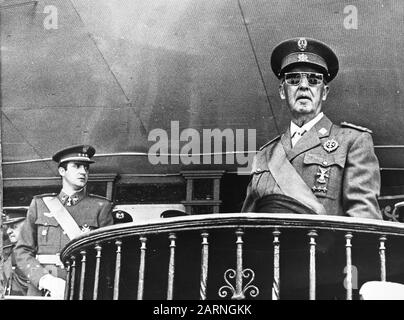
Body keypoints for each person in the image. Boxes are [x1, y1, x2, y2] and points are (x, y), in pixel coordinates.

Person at [242, 37, 381, 219]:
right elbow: (245, 223)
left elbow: (363, 219)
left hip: (324, 247)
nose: (304, 86)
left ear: (324, 92)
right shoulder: (264, 155)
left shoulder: (352, 142)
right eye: (293, 79)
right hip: (269, 247)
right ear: (283, 91)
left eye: (314, 80)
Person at [14, 145, 114, 299]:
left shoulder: (101, 207)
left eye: (86, 168)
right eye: (77, 166)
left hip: (81, 290)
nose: (83, 172)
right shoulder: (40, 204)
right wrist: (45, 280)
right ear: (62, 171)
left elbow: (107, 255)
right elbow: (22, 251)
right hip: (43, 290)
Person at [2, 213, 29, 296]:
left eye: (14, 227)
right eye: (8, 227)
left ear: (27, 228)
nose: (8, 231)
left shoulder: (40, 252)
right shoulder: (5, 253)